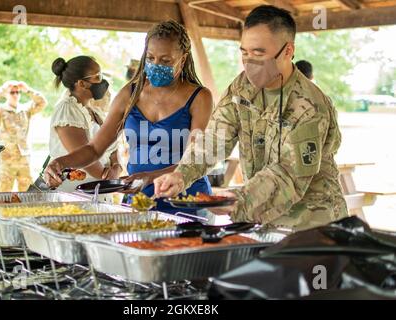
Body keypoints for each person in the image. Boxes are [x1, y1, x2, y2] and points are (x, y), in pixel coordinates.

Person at [154, 5, 348, 231]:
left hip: (312, 226)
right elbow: (215, 139)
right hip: (264, 221)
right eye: (244, 53)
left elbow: (288, 175)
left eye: (259, 53)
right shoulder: (242, 87)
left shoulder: (309, 105)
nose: (249, 62)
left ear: (287, 51)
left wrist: (236, 199)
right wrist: (181, 174)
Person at [44, 20, 214, 213]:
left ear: (182, 60)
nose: (156, 65)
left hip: (188, 201)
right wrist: (61, 163)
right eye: (150, 58)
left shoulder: (200, 97)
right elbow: (94, 149)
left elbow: (197, 158)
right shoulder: (130, 94)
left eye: (166, 61)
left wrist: (150, 177)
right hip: (140, 201)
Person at [49, 56, 121, 194]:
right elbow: (82, 154)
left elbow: (112, 148)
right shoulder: (67, 110)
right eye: (97, 76)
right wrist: (105, 176)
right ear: (81, 84)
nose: (102, 81)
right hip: (76, 192)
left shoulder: (94, 111)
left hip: (99, 189)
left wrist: (116, 167)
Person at [0, 80, 47, 192]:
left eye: (17, 92)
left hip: (24, 159)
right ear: (6, 94)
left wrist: (28, 90)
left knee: (27, 195)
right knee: (3, 194)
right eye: (12, 92)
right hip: (6, 160)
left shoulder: (26, 109)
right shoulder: (0, 110)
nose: (15, 94)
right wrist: (3, 88)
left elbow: (42, 102)